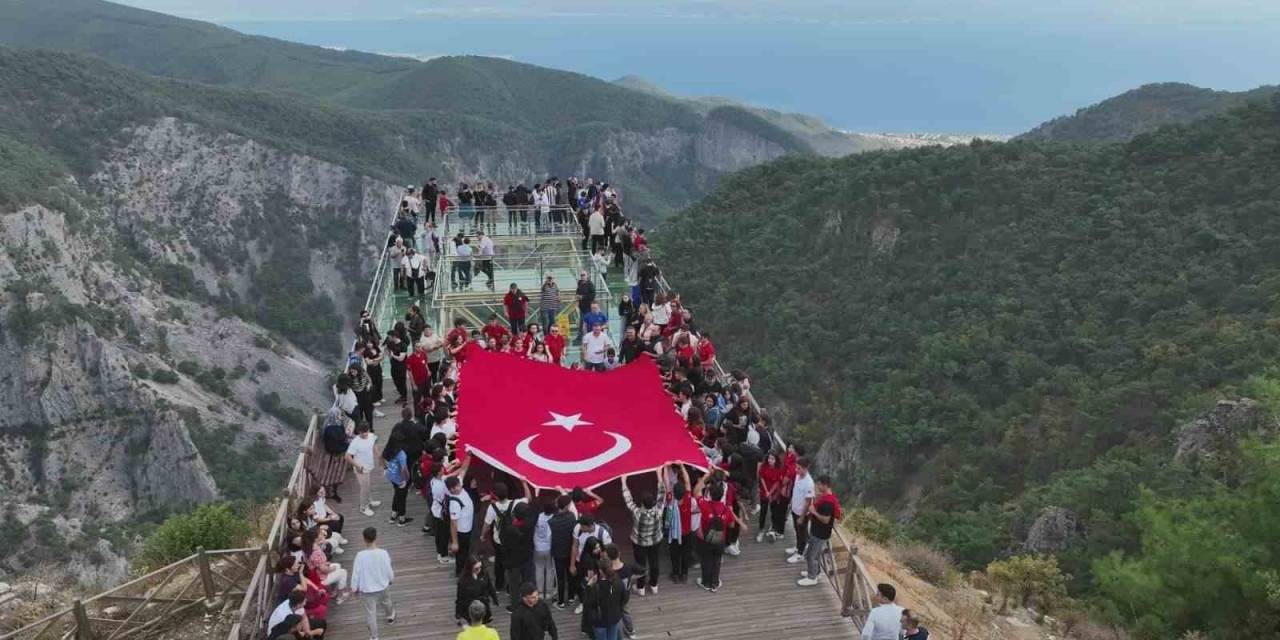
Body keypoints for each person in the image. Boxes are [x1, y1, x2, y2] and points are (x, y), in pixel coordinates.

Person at [694, 471, 745, 593]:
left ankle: (705, 582)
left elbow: (696, 491)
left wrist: (705, 476)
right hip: (720, 539)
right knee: (717, 561)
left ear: (710, 495)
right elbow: (732, 525)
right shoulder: (726, 509)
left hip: (706, 539)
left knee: (706, 560)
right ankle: (714, 583)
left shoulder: (705, 505)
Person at [620, 469, 665, 595]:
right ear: (653, 502)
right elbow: (662, 494)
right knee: (654, 562)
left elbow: (628, 500)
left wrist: (624, 481)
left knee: (640, 564)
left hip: (639, 543)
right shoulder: (659, 510)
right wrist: (659, 474)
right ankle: (654, 585)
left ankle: (641, 587)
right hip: (655, 541)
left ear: (642, 503)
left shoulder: (638, 513)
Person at [481, 481, 530, 595]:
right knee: (511, 564)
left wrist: (483, 535)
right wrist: (524, 482)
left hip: (498, 539)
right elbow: (528, 498)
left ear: (496, 496)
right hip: (512, 539)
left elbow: (487, 525)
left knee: (499, 561)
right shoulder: (516, 503)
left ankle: (499, 585)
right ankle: (510, 588)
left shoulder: (492, 507)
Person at [798, 474, 841, 586]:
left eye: (819, 485)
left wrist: (814, 512)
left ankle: (812, 577)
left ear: (825, 485)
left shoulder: (828, 502)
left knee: (810, 555)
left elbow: (826, 520)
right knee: (815, 554)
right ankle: (815, 572)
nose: (817, 487)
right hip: (818, 532)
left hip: (820, 534)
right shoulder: (826, 497)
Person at [582, 565, 628, 640]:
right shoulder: (619, 583)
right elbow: (625, 599)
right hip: (614, 617)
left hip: (600, 620)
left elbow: (588, 603)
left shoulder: (597, 587)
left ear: (601, 571)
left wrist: (588, 586)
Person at [548, 495, 577, 610]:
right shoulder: (572, 517)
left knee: (560, 578)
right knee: (570, 575)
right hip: (570, 552)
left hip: (557, 553)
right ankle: (571, 597)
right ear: (566, 506)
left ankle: (560, 602)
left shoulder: (552, 521)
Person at [344, 421, 380, 517]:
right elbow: (347, 456)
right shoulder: (355, 442)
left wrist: (379, 457)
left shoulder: (371, 436)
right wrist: (357, 466)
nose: (364, 434)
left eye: (366, 431)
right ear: (359, 431)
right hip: (361, 469)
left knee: (368, 486)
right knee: (364, 488)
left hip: (369, 465)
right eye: (362, 432)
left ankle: (369, 501)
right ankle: (363, 507)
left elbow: (374, 445)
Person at [786, 457, 815, 565]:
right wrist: (791, 504)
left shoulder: (809, 483)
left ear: (805, 468)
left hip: (802, 513)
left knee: (802, 533)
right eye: (796, 467)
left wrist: (802, 517)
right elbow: (796, 492)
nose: (796, 470)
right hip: (795, 509)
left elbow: (808, 502)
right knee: (797, 530)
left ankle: (800, 554)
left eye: (799, 468)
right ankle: (798, 547)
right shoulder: (798, 476)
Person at [455, 556, 499, 626]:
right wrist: (458, 614)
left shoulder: (484, 573)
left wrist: (494, 598)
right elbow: (460, 598)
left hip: (483, 606)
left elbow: (490, 586)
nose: (479, 570)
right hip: (470, 608)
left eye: (480, 567)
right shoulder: (463, 580)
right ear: (470, 568)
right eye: (476, 568)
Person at [382, 432, 413, 527]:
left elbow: (382, 457)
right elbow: (404, 469)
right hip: (400, 478)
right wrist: (405, 480)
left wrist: (385, 468)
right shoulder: (401, 454)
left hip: (391, 476)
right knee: (402, 498)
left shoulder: (388, 449)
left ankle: (393, 515)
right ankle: (401, 519)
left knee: (397, 494)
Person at [756, 449, 788, 543]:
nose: (770, 460)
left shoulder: (779, 469)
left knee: (774, 511)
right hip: (764, 492)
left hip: (774, 493)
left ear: (776, 460)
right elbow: (761, 478)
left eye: (772, 459)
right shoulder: (764, 466)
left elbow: (777, 482)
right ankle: (761, 530)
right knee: (763, 511)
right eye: (769, 458)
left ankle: (773, 528)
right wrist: (766, 491)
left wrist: (770, 493)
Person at [447, 476, 476, 576]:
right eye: (457, 486)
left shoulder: (460, 488)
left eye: (459, 485)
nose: (460, 487)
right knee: (461, 555)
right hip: (461, 532)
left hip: (468, 529)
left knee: (466, 552)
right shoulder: (454, 503)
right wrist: (455, 542)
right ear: (451, 489)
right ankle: (460, 573)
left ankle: (465, 571)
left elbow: (462, 473)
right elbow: (453, 523)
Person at [575, 271, 595, 343]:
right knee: (581, 322)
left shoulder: (590, 284)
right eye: (581, 275)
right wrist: (577, 295)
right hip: (582, 307)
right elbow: (578, 291)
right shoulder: (580, 282)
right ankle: (580, 337)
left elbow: (592, 295)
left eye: (584, 275)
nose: (582, 276)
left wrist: (582, 297)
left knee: (587, 322)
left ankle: (588, 338)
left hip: (588, 307)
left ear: (587, 275)